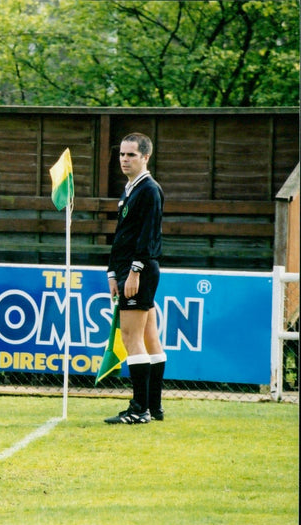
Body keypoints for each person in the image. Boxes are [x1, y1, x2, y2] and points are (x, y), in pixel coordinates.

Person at [104, 133, 167, 424]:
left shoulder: (149, 190)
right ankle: (154, 407)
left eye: (131, 155)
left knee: (131, 336)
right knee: (149, 337)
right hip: (130, 268)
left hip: (139, 270)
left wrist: (134, 271)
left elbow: (147, 235)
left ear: (145, 157)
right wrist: (112, 272)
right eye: (121, 154)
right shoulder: (131, 189)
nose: (124, 159)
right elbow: (122, 237)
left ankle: (138, 409)